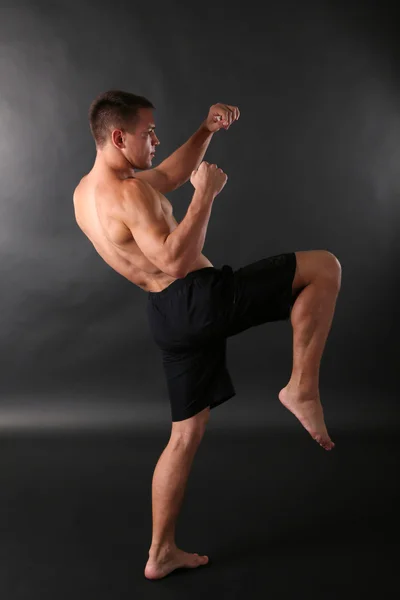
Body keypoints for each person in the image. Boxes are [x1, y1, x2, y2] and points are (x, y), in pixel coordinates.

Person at [73, 90, 342, 580]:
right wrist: (206, 194)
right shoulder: (129, 193)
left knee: (185, 434)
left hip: (167, 316)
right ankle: (301, 387)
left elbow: (169, 176)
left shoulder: (90, 192)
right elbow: (174, 260)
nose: (155, 140)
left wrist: (207, 129)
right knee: (324, 267)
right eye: (147, 133)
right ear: (118, 136)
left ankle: (160, 553)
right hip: (199, 298)